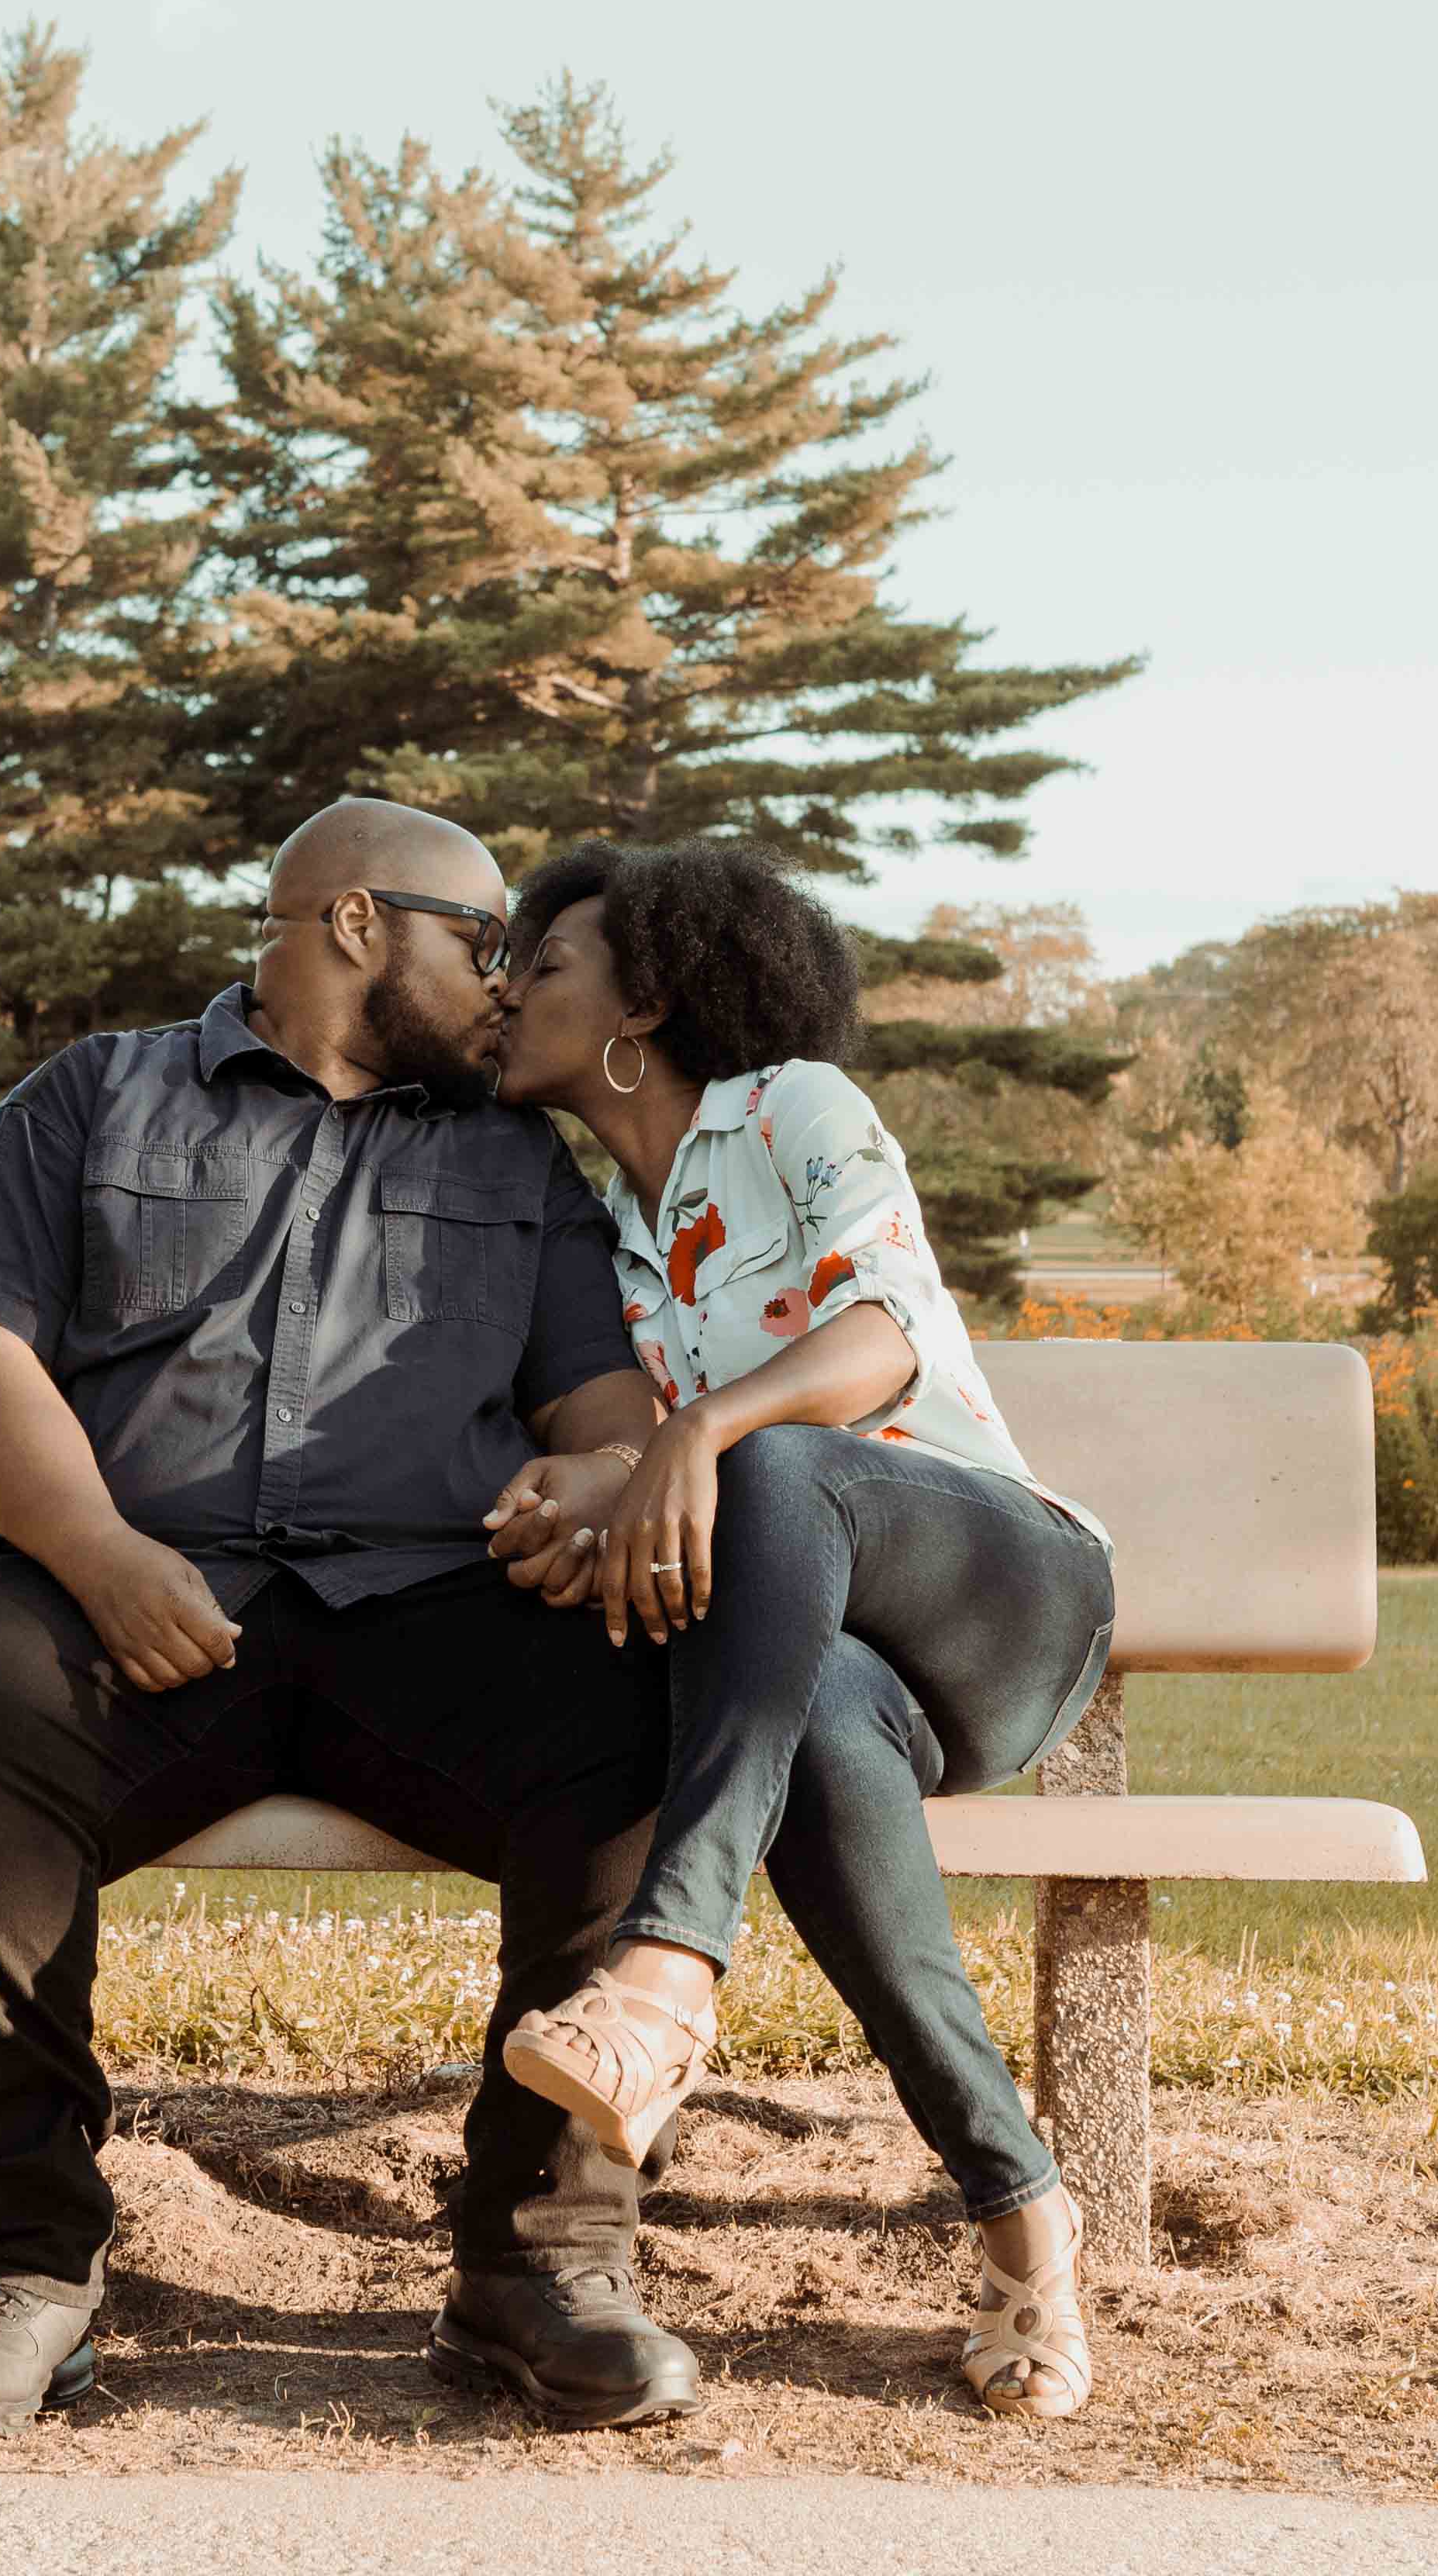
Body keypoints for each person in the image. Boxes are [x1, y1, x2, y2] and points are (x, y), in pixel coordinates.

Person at [0, 797, 705, 2439]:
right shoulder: (96, 1097)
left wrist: (604, 1480)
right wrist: (95, 1555)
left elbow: (597, 1399)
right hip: (134, 1612)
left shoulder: (514, 1158)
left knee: (648, 1710)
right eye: (485, 950)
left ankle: (541, 2270)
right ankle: (19, 2267)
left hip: (429, 1615)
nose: (507, 992)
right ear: (357, 925)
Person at [471, 840, 1119, 2421]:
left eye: (543, 965)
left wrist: (700, 1441)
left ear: (648, 1001)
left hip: (995, 1587)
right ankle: (1027, 2209)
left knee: (765, 1466)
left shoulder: (794, 1110)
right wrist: (591, 1492)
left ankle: (669, 1975)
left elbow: (885, 1336)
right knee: (816, 1747)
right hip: (829, 1658)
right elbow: (637, 1460)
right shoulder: (597, 1227)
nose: (504, 991)